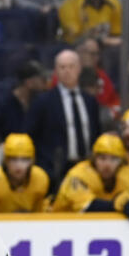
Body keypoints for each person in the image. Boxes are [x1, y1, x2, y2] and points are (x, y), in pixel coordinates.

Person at [26, 49, 101, 185]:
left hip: (87, 169)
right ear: (56, 71)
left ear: (79, 69)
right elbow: (30, 136)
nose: (67, 71)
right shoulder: (43, 102)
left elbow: (96, 134)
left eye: (71, 66)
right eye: (62, 67)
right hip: (54, 172)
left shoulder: (90, 101)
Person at [49, 132, 129, 222]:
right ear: (94, 159)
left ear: (121, 162)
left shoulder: (126, 174)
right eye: (102, 158)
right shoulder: (78, 174)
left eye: (114, 159)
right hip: (58, 225)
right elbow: (88, 208)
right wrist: (118, 204)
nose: (107, 165)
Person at [0, 133, 50, 213]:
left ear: (32, 161)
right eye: (13, 159)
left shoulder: (40, 178)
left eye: (25, 159)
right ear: (6, 160)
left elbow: (40, 212)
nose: (19, 165)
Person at [0, 59, 45, 142]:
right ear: (29, 83)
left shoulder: (40, 102)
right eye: (41, 79)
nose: (44, 82)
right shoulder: (2, 104)